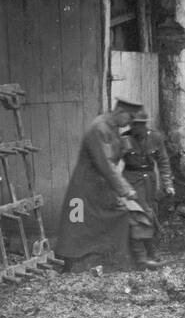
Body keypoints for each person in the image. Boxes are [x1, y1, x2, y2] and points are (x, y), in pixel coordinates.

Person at [57, 85, 154, 271]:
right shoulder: (99, 128)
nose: (130, 123)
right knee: (77, 226)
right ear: (120, 111)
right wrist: (126, 189)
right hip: (85, 189)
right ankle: (73, 266)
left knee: (118, 217)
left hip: (102, 188)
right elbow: (106, 165)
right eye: (130, 118)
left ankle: (110, 262)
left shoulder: (113, 128)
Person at [122, 110, 176, 265]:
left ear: (144, 124)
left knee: (150, 213)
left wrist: (168, 184)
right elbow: (112, 161)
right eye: (133, 125)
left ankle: (150, 253)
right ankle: (142, 256)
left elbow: (163, 162)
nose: (135, 128)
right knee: (140, 214)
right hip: (131, 180)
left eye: (138, 125)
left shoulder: (156, 138)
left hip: (150, 181)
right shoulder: (125, 138)